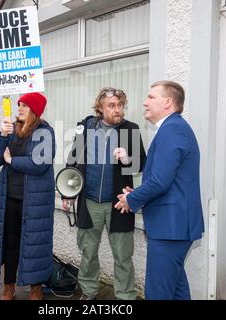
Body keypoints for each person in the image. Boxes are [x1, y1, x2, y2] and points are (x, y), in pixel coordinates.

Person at [114, 81, 205, 300]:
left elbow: (160, 181)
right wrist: (134, 194)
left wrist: (131, 199)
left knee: (158, 292)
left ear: (168, 102)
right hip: (172, 226)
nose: (145, 102)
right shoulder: (172, 128)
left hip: (170, 227)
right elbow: (163, 177)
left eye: (151, 97)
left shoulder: (172, 130)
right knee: (176, 289)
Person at [63, 87, 146, 300]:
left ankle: (125, 296)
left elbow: (144, 164)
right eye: (112, 105)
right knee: (88, 253)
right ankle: (89, 291)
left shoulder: (131, 129)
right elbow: (73, 159)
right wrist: (68, 192)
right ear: (100, 107)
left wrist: (128, 160)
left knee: (122, 255)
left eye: (120, 105)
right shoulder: (86, 127)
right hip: (89, 201)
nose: (117, 109)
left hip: (119, 203)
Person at [0, 92, 55, 300]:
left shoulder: (44, 131)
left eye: (24, 106)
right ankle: (9, 287)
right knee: (10, 243)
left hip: (34, 201)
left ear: (35, 110)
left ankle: (36, 288)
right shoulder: (11, 130)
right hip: (9, 198)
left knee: (34, 245)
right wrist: (1, 136)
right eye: (19, 105)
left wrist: (12, 161)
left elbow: (39, 164)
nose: (19, 109)